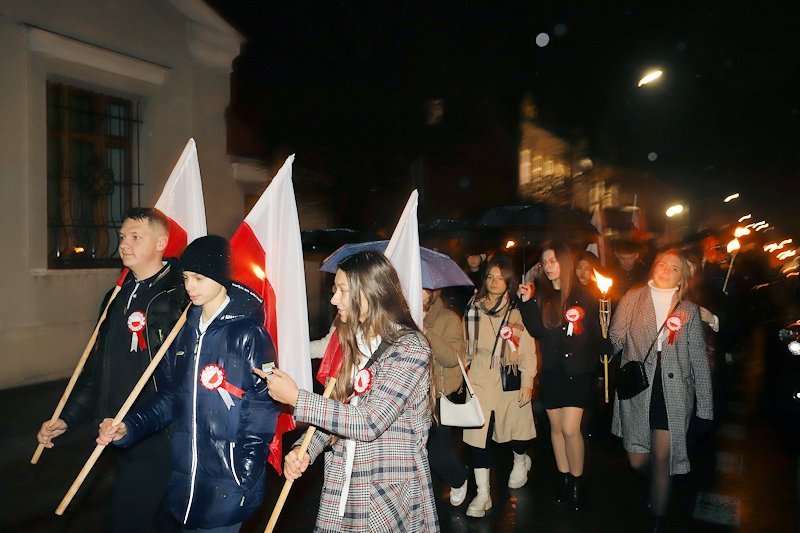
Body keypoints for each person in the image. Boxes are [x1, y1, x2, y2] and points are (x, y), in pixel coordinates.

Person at [97, 235, 279, 532]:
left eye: (198, 278)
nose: (189, 286)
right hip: (187, 483)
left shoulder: (248, 334)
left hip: (229, 481)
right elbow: (171, 397)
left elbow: (263, 406)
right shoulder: (183, 331)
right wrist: (130, 426)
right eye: (185, 278)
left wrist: (243, 471)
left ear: (220, 278)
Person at [258, 251, 439, 532]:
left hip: (385, 491)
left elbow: (369, 422)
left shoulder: (410, 348)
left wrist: (297, 398)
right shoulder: (352, 341)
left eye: (343, 291)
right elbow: (339, 408)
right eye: (334, 290)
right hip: (345, 480)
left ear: (370, 293)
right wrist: (305, 450)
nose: (334, 300)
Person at [37, 207, 184, 532]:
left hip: (157, 437)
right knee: (162, 523)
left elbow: (181, 383)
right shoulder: (115, 296)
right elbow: (96, 370)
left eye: (135, 237)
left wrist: (136, 424)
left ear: (161, 243)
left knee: (125, 522)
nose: (124, 244)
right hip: (113, 432)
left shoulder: (179, 299)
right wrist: (68, 417)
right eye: (122, 237)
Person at [609, 248, 713, 531]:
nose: (666, 269)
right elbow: (616, 337)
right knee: (637, 458)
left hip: (674, 391)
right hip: (640, 388)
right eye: (663, 264)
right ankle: (655, 481)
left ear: (682, 278)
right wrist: (603, 327)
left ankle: (658, 517)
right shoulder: (633, 296)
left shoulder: (688, 310)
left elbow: (699, 362)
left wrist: (705, 409)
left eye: (674, 268)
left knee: (663, 456)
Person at [518, 243, 608, 511]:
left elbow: (595, 330)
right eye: (545, 262)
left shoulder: (585, 295)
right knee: (556, 430)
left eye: (553, 260)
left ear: (565, 263)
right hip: (552, 374)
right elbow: (536, 330)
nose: (548, 266)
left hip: (578, 373)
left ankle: (578, 481)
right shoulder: (542, 297)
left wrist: (604, 343)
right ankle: (565, 478)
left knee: (571, 429)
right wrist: (525, 304)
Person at [462, 255, 536, 518]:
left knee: (514, 429)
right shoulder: (473, 306)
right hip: (480, 376)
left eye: (500, 277)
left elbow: (527, 351)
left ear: (509, 281)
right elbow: (465, 346)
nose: (494, 282)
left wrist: (528, 383)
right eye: (490, 277)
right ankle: (483, 494)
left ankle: (520, 460)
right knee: (477, 436)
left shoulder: (517, 310)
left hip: (509, 375)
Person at [422, 287, 470, 507]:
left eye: (424, 287)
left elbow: (452, 358)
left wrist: (425, 330)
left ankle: (458, 477)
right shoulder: (402, 316)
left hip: (438, 395)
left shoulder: (448, 318)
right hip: (411, 395)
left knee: (438, 453)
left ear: (434, 291)